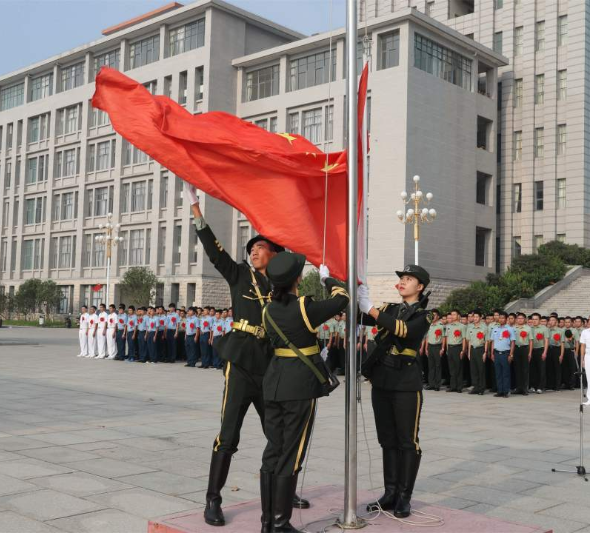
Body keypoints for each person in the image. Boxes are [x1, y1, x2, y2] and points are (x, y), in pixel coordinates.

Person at [185, 183, 309, 527]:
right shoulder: (240, 276)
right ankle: (213, 499)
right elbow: (214, 251)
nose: (254, 251)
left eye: (261, 247)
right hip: (240, 364)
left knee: (279, 435)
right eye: (252, 247)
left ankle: (282, 492)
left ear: (275, 255)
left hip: (271, 367)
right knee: (229, 434)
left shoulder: (283, 287)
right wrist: (196, 208)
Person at [259, 255, 348, 533]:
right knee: (292, 455)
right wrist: (327, 279)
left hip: (273, 383)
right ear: (297, 279)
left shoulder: (267, 309)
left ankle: (267, 523)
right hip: (299, 386)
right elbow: (342, 297)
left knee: (272, 452)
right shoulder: (303, 307)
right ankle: (280, 523)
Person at [358, 265, 432, 519]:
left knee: (407, 441)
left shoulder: (425, 314)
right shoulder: (389, 309)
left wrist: (371, 308)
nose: (402, 282)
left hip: (406, 384)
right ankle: (389, 493)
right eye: (401, 278)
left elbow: (404, 330)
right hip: (382, 381)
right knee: (386, 439)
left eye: (408, 279)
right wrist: (350, 294)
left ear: (420, 287)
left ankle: (404, 496)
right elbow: (361, 317)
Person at [489, 313, 515, 397]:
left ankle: (506, 391)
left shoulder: (510, 329)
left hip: (505, 353)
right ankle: (500, 391)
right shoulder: (495, 329)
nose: (501, 319)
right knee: (498, 373)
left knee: (506, 373)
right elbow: (493, 341)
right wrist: (492, 353)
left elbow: (512, 342)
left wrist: (511, 354)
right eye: (500, 318)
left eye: (503, 318)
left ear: (506, 319)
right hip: (496, 353)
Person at [443, 309, 466, 393]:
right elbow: (447, 338)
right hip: (450, 348)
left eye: (454, 314)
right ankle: (453, 386)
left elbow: (464, 339)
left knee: (458, 367)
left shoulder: (462, 326)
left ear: (458, 316)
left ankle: (459, 387)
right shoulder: (448, 326)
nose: (452, 316)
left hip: (457, 348)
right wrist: (447, 349)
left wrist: (463, 350)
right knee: (452, 368)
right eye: (451, 315)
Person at [466, 310, 487, 395]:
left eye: (477, 317)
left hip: (480, 349)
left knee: (480, 369)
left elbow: (487, 341)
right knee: (473, 369)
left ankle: (481, 388)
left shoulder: (484, 327)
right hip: (472, 349)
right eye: (474, 317)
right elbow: (469, 340)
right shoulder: (470, 327)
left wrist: (485, 352)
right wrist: (469, 352)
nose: (475, 318)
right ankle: (475, 387)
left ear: (480, 317)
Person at [512, 312, 532, 395]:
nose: (520, 320)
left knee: (525, 369)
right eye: (518, 318)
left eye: (522, 318)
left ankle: (525, 388)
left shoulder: (528, 328)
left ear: (525, 320)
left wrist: (530, 352)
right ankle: (518, 388)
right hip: (516, 349)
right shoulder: (513, 328)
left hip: (525, 349)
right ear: (516, 320)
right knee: (517, 369)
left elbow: (531, 341)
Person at [530, 313, 549, 394]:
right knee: (533, 369)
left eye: (536, 319)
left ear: (539, 320)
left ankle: (541, 387)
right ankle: (534, 386)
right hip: (532, 350)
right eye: (533, 319)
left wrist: (545, 352)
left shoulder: (544, 328)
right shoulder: (530, 328)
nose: (534, 321)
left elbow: (546, 341)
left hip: (540, 350)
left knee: (541, 369)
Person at [546, 315, 564, 391]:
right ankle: (551, 385)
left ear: (556, 321)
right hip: (549, 349)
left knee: (557, 368)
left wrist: (561, 355)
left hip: (557, 349)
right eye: (550, 320)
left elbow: (562, 343)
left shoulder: (560, 331)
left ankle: (557, 386)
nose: (551, 322)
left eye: (553, 320)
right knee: (550, 368)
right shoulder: (547, 330)